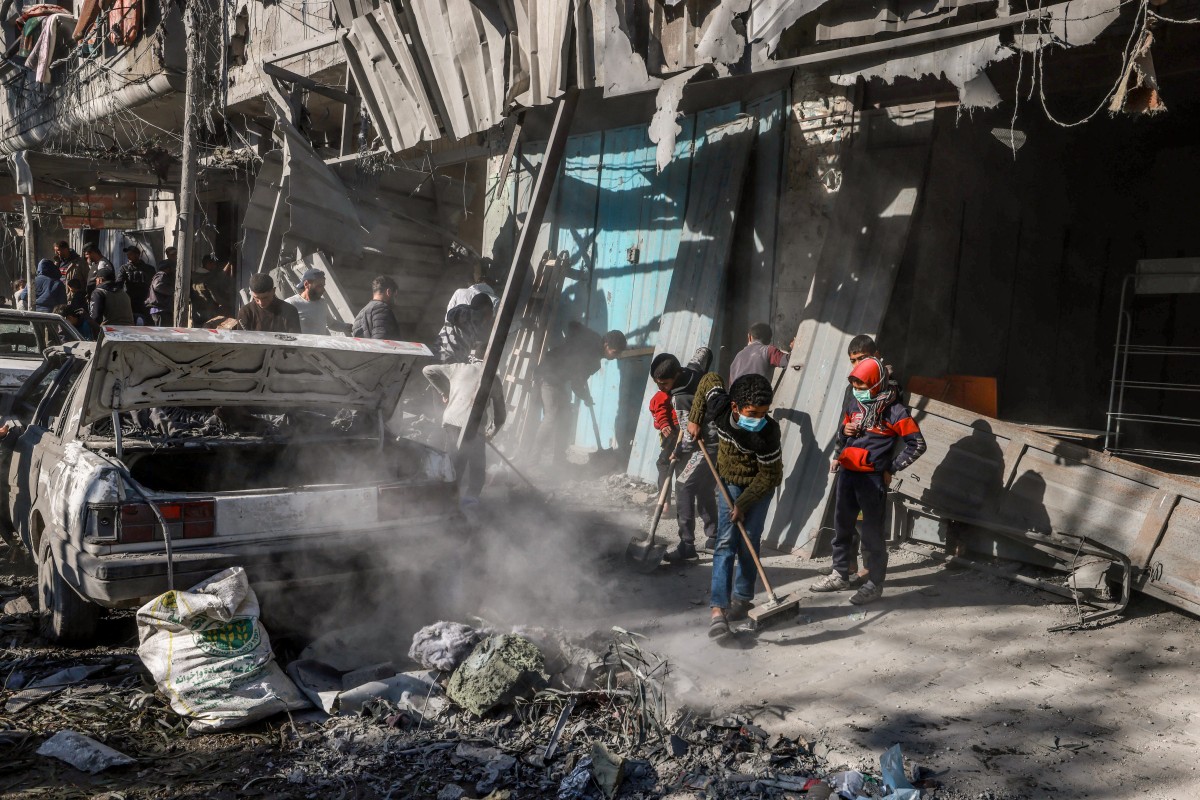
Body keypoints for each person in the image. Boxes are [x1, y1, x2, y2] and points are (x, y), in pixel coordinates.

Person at [810, 356, 926, 605]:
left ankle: (874, 583)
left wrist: (891, 467)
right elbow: (843, 431)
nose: (858, 391)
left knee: (872, 534)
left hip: (872, 481)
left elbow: (917, 445)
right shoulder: (853, 402)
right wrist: (845, 432)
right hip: (847, 474)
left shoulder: (895, 411)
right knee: (841, 527)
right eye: (855, 386)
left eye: (862, 386)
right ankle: (840, 574)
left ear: (876, 384)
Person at [687, 371, 783, 639]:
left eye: (764, 413)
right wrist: (695, 418)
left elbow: (771, 476)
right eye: (752, 413)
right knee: (726, 542)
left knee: (749, 541)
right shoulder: (719, 408)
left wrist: (743, 503)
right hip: (727, 481)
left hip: (758, 488)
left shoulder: (768, 433)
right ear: (734, 407)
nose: (758, 420)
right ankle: (718, 610)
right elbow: (708, 378)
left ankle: (742, 599)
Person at [650, 353, 719, 562]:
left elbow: (690, 434)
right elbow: (703, 353)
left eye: (665, 383)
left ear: (677, 374)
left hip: (706, 446)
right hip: (719, 441)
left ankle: (687, 545)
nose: (662, 388)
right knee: (704, 488)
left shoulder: (679, 398)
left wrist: (679, 451)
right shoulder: (693, 371)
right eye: (658, 384)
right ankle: (714, 538)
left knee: (682, 486)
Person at [422, 344, 507, 503]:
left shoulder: (457, 368)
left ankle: (450, 499)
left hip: (452, 421)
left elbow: (427, 370)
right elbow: (500, 416)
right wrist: (491, 433)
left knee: (455, 462)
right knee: (477, 465)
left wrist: (444, 391)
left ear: (471, 358)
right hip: (474, 425)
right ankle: (470, 499)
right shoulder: (493, 379)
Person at [534, 324, 627, 464]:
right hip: (548, 375)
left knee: (565, 420)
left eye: (618, 353)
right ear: (606, 345)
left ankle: (559, 460)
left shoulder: (594, 342)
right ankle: (532, 459)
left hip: (560, 380)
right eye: (615, 352)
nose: (616, 357)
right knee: (551, 416)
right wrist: (585, 397)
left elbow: (573, 325)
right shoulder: (593, 359)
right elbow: (576, 384)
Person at [436, 293, 494, 363]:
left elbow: (474, 347)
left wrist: (472, 359)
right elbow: (450, 315)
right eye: (489, 310)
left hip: (457, 358)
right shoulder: (463, 310)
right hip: (443, 352)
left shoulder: (477, 327)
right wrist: (481, 315)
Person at [351, 276, 401, 340]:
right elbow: (381, 343)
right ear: (388, 292)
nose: (395, 301)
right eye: (395, 296)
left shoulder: (360, 313)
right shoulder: (382, 309)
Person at [284, 268, 331, 335]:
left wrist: (349, 327)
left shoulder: (322, 303)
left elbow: (331, 324)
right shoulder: (291, 303)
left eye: (323, 286)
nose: (323, 290)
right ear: (306, 284)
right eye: (319, 286)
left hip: (320, 345)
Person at [191, 254, 235, 324]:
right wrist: (228, 304)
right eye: (214, 264)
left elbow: (220, 275)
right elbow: (215, 297)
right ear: (208, 264)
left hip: (196, 313)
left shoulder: (194, 276)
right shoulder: (209, 277)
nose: (215, 266)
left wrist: (229, 264)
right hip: (208, 314)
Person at [89, 264, 135, 329]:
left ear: (100, 280)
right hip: (129, 332)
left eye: (96, 280)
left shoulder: (98, 292)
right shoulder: (124, 293)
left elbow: (95, 317)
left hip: (110, 333)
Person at [117, 245, 154, 324]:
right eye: (127, 255)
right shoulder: (124, 268)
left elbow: (153, 285)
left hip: (145, 301)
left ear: (137, 255)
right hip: (130, 301)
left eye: (130, 254)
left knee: (146, 323)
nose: (128, 257)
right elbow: (119, 284)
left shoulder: (149, 268)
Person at [146, 257, 176, 326]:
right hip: (160, 310)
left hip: (161, 310)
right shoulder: (162, 274)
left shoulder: (162, 275)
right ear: (168, 268)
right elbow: (157, 286)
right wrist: (173, 292)